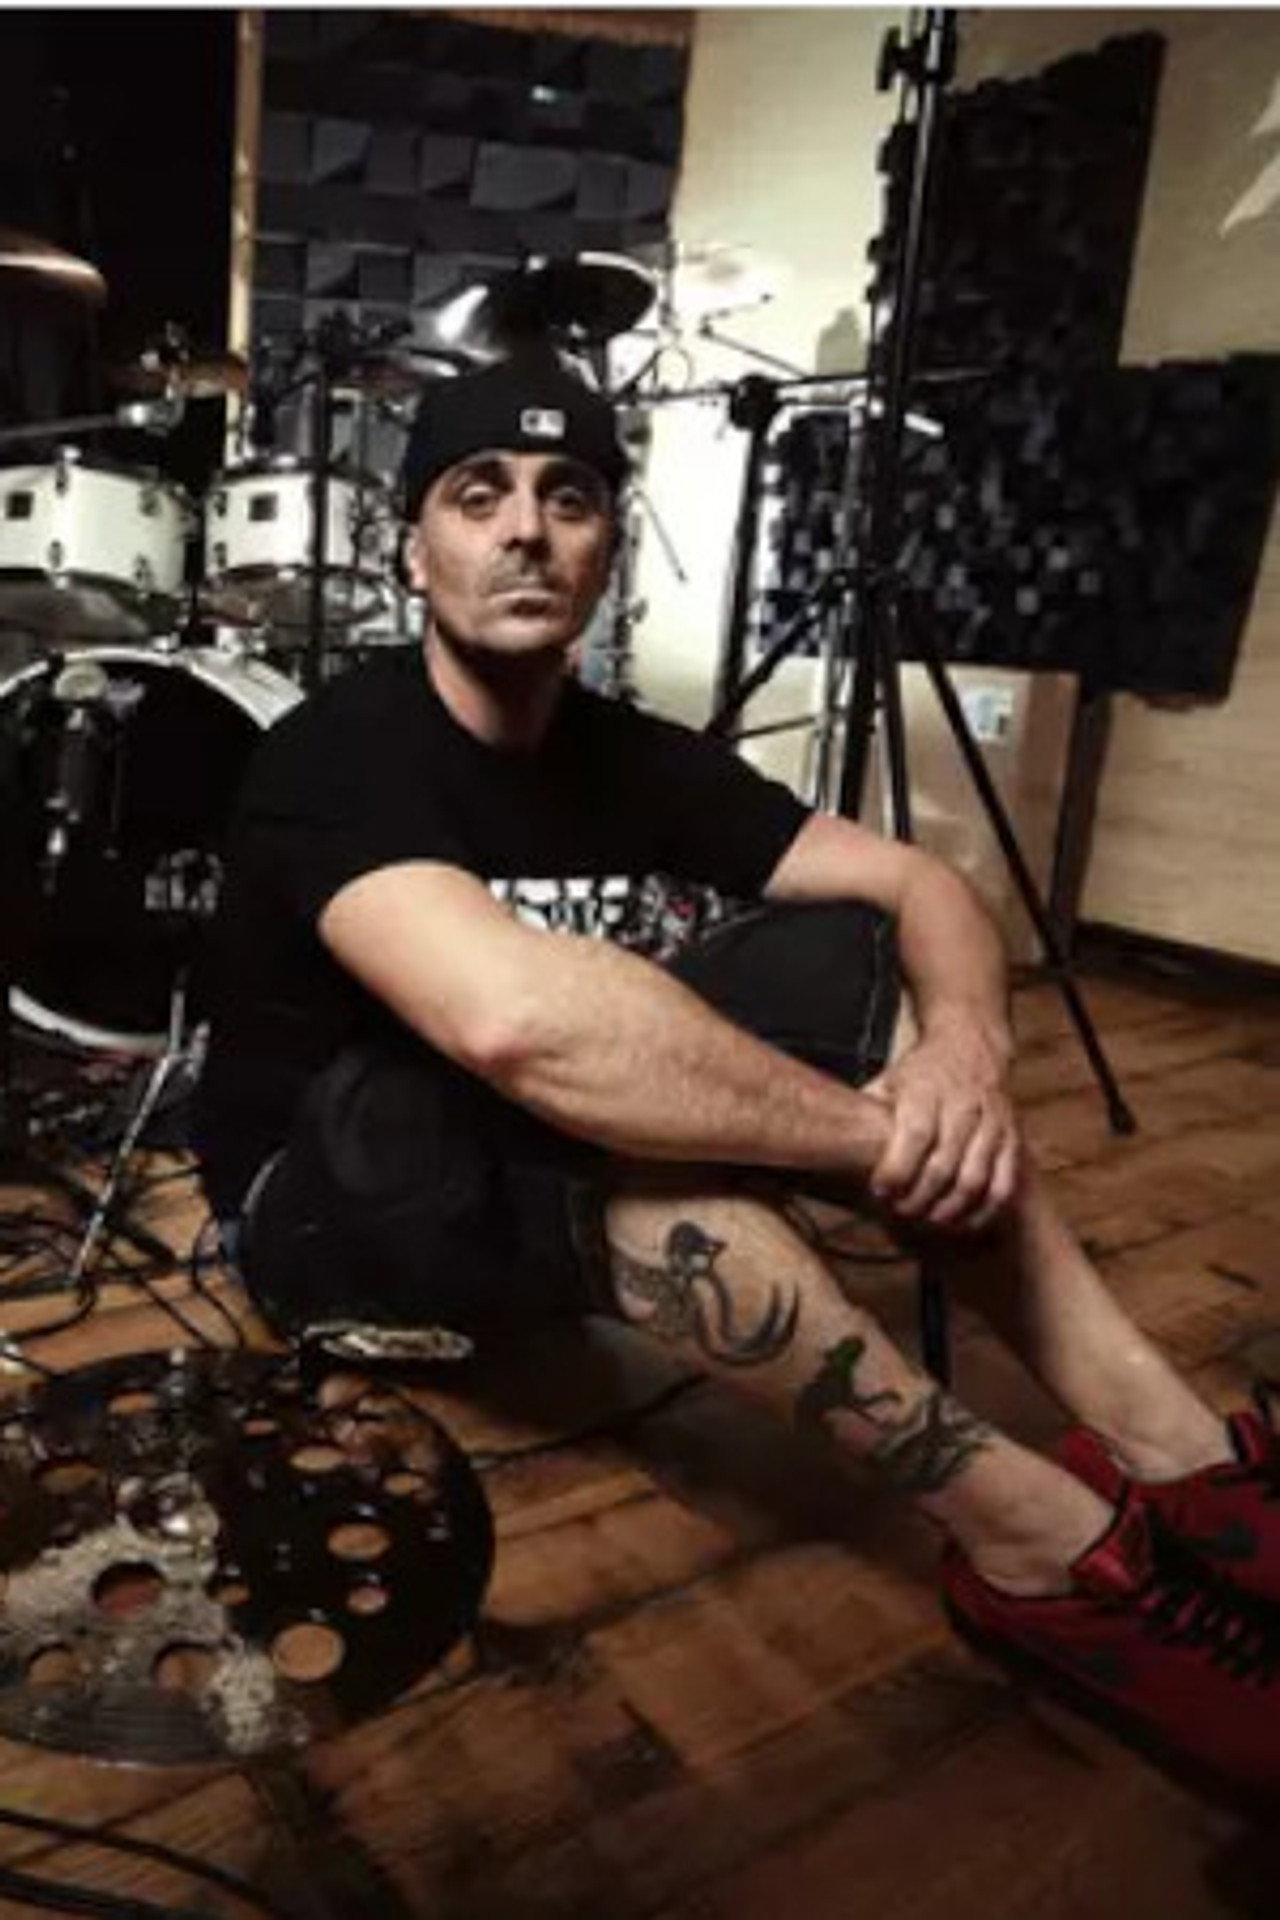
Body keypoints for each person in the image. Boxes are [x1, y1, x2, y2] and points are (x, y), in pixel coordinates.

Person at [194, 352, 1280, 1807]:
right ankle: (1039, 1546)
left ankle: (1181, 1454)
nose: (526, 530)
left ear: (606, 548)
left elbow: (925, 886)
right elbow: (515, 1026)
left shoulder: (629, 755)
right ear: (412, 550)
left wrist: (961, 1058)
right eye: (478, 494)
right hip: (321, 1209)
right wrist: (872, 1141)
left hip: (516, 1154)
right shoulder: (336, 753)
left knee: (847, 958)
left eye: (569, 498)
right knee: (624, 1139)